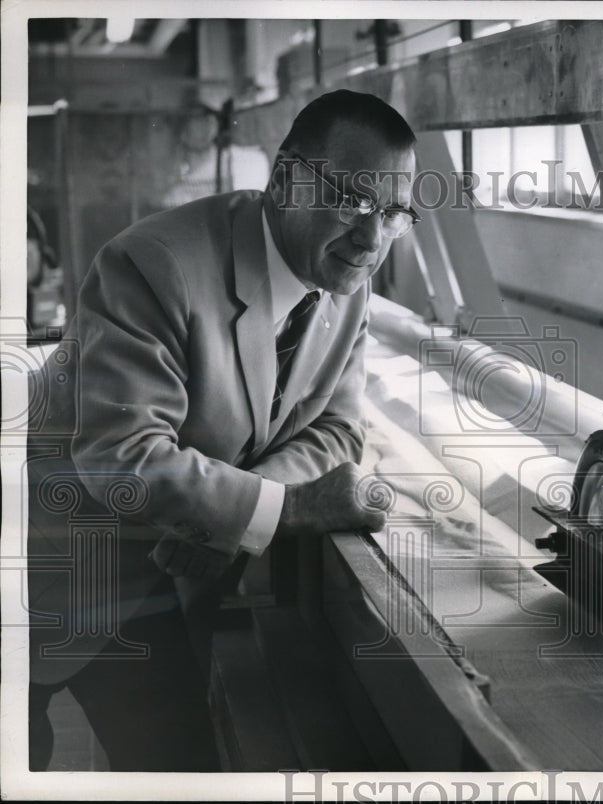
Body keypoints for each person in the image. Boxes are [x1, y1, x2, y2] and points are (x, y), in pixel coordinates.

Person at [25, 89, 417, 770]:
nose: (372, 237)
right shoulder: (153, 265)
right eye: (353, 201)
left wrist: (242, 512)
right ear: (287, 178)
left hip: (159, 586)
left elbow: (335, 430)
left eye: (393, 212)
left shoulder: (348, 291)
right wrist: (284, 507)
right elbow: (122, 458)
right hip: (51, 567)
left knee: (178, 765)